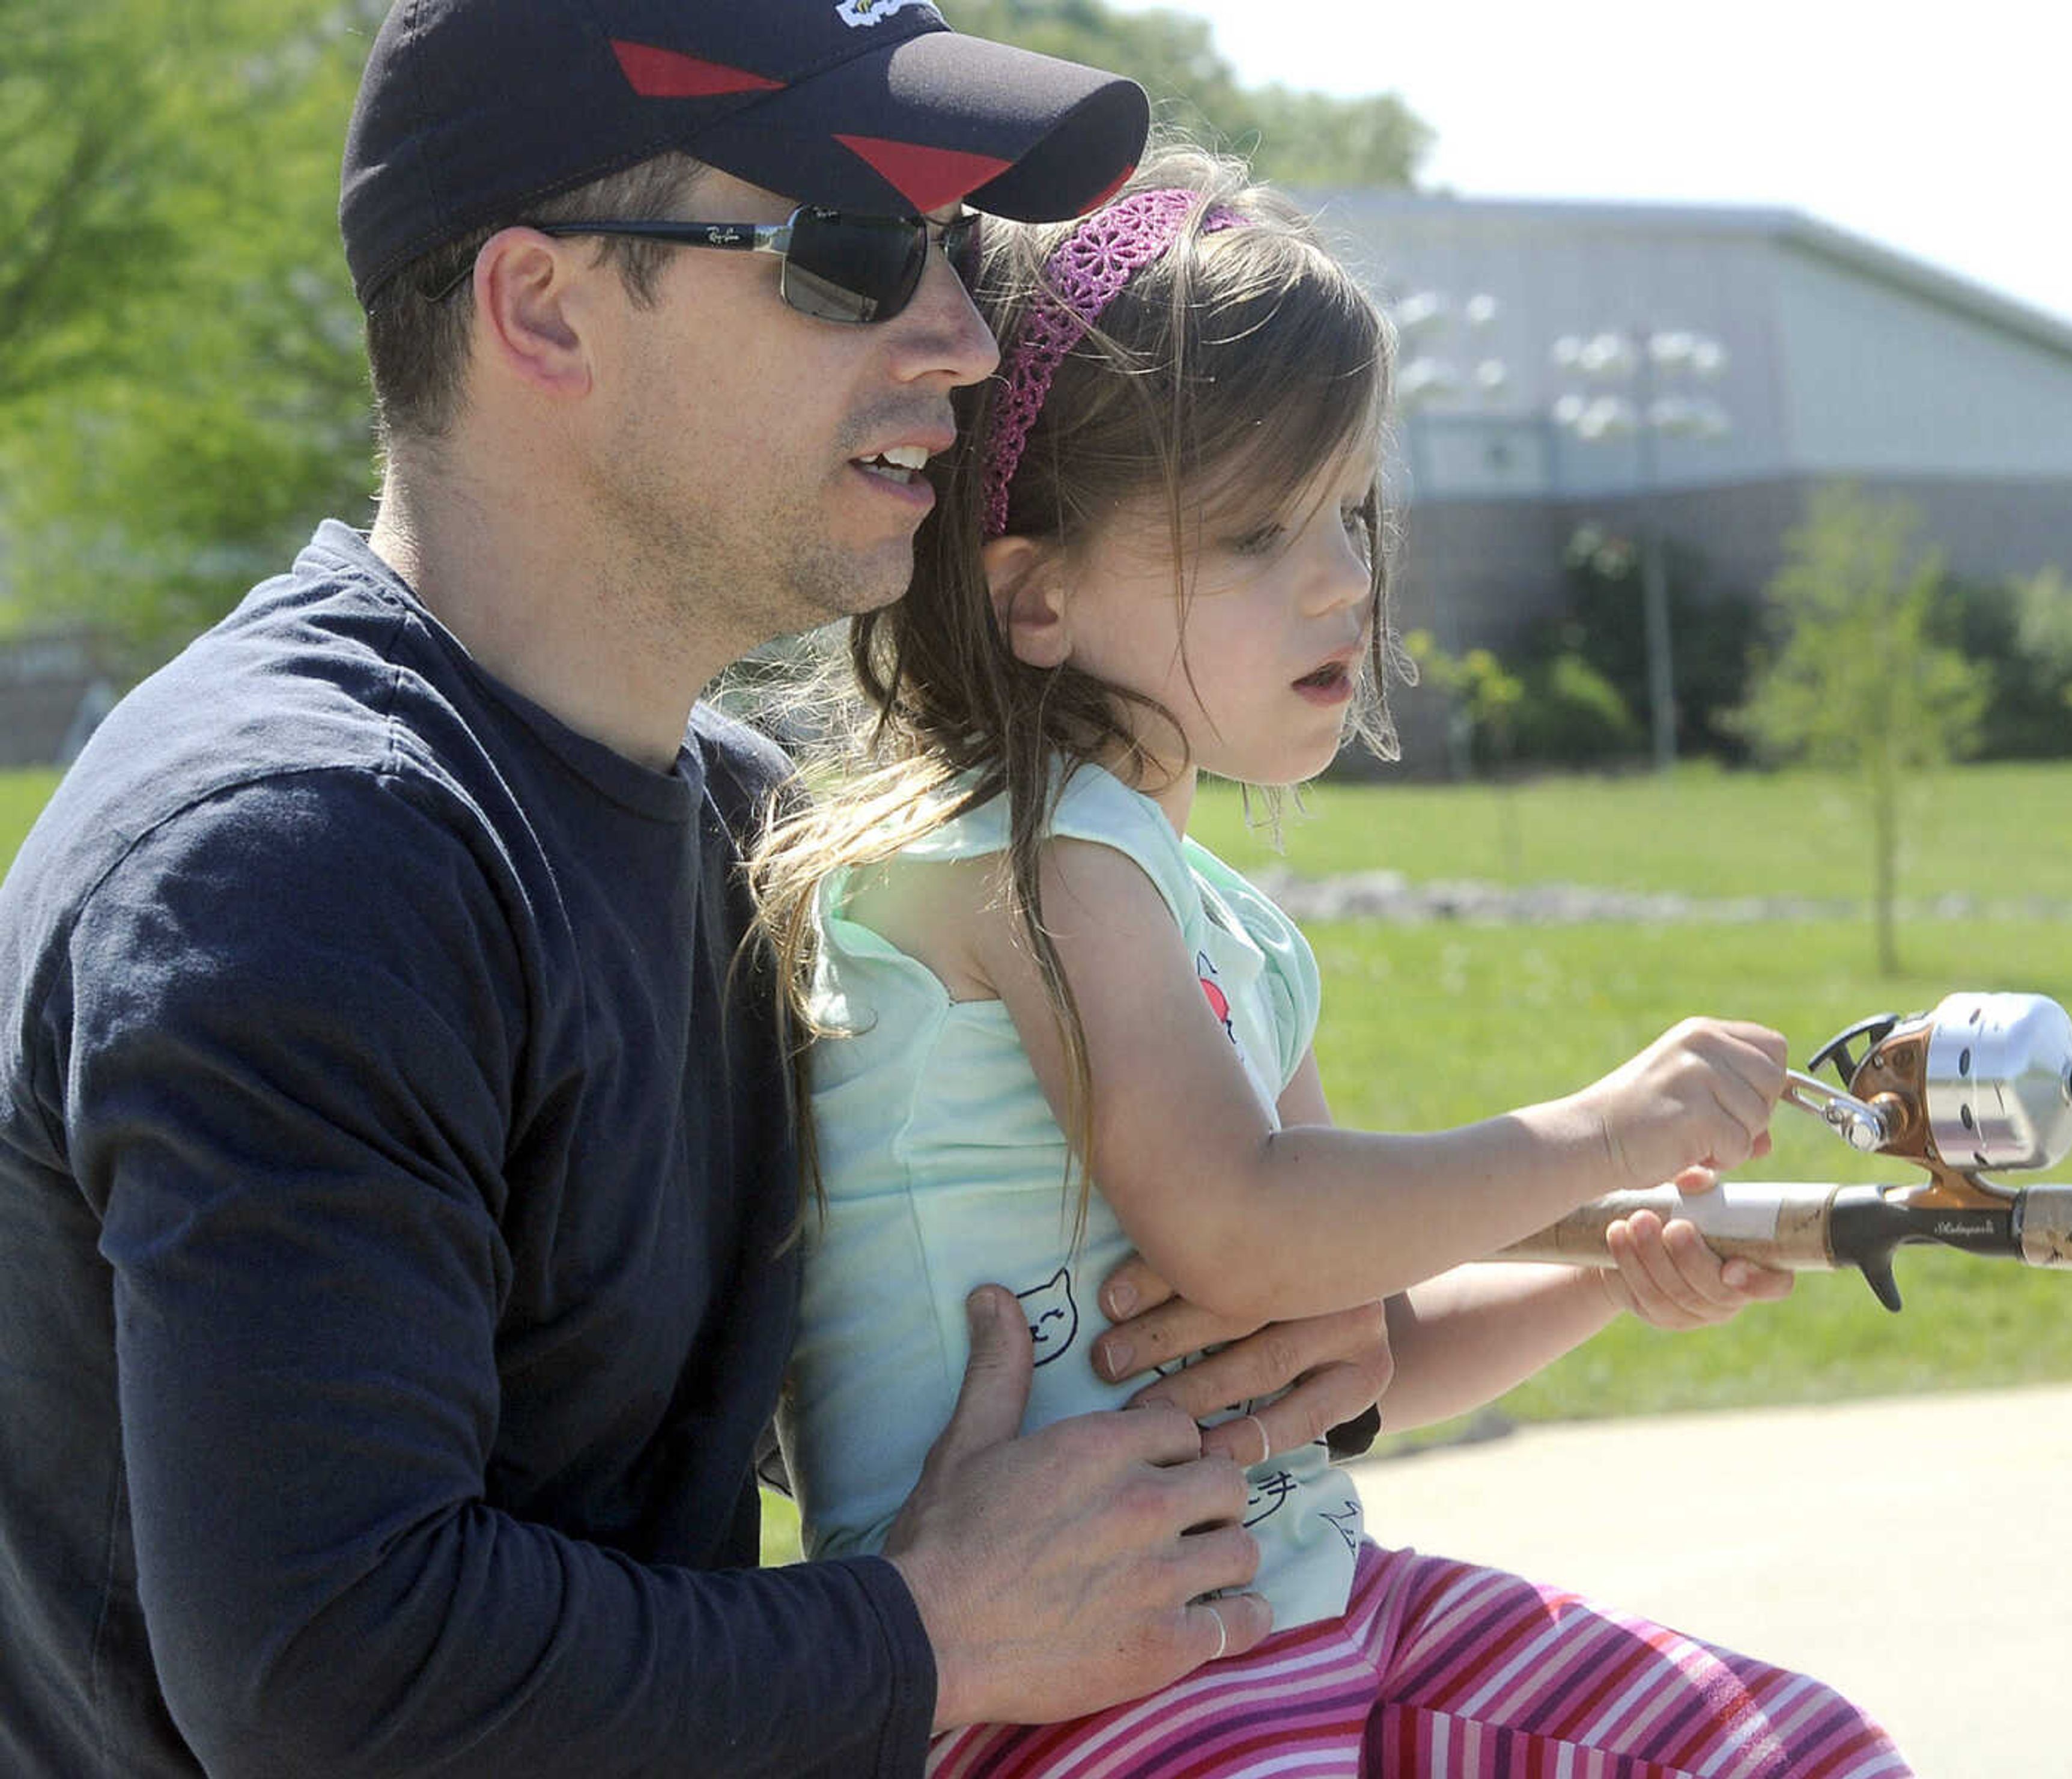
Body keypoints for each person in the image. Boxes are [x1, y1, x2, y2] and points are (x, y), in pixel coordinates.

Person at [0, 6, 1402, 1774]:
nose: (966, 340)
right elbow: (333, 1675)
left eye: (960, 252)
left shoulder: (741, 823)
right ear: (542, 311)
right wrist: (932, 1629)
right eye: (857, 248)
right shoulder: (298, 858)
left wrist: (1274, 1336)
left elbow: (868, 1378)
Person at [750, 147, 1915, 1775]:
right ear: (1036, 597)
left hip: (1304, 1614)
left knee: (1797, 1747)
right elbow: (1237, 1226)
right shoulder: (1027, 854)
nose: (1342, 581)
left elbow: (1354, 1341)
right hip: (1063, 1685)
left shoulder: (1234, 927)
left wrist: (1610, 1256)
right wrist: (1607, 1130)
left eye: (1350, 510)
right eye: (1253, 533)